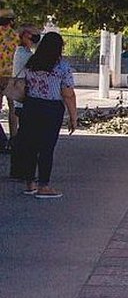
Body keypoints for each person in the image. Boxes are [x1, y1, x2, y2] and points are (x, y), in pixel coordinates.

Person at [19, 32, 77, 199]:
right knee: (46, 148)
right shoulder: (62, 67)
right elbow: (68, 94)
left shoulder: (31, 63)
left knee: (30, 146)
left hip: (30, 106)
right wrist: (73, 117)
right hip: (51, 109)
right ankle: (44, 186)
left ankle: (30, 183)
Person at [8, 24, 39, 180]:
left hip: (24, 98)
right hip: (23, 99)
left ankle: (19, 169)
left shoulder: (25, 52)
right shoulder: (22, 54)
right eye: (34, 34)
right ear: (26, 35)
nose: (36, 37)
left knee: (23, 135)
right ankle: (19, 169)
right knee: (24, 136)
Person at [0, 9, 18, 151]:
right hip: (12, 78)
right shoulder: (16, 36)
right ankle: (14, 139)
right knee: (13, 110)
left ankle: (2, 140)